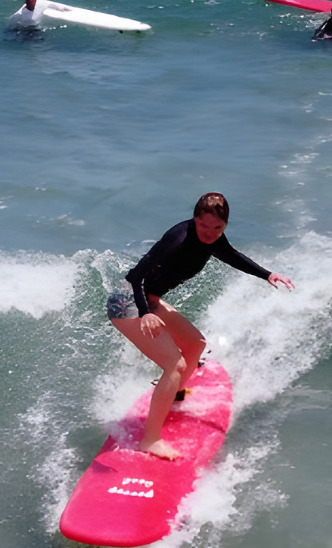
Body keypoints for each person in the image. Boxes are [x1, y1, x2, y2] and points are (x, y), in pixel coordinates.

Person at [107, 193, 294, 460]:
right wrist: (146, 313)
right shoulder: (178, 239)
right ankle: (150, 440)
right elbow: (136, 276)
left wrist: (268, 275)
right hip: (127, 302)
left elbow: (231, 255)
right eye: (204, 226)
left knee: (195, 344)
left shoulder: (214, 239)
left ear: (225, 225)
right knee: (175, 364)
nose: (209, 233)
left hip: (150, 301)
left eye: (217, 228)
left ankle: (171, 396)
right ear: (195, 219)